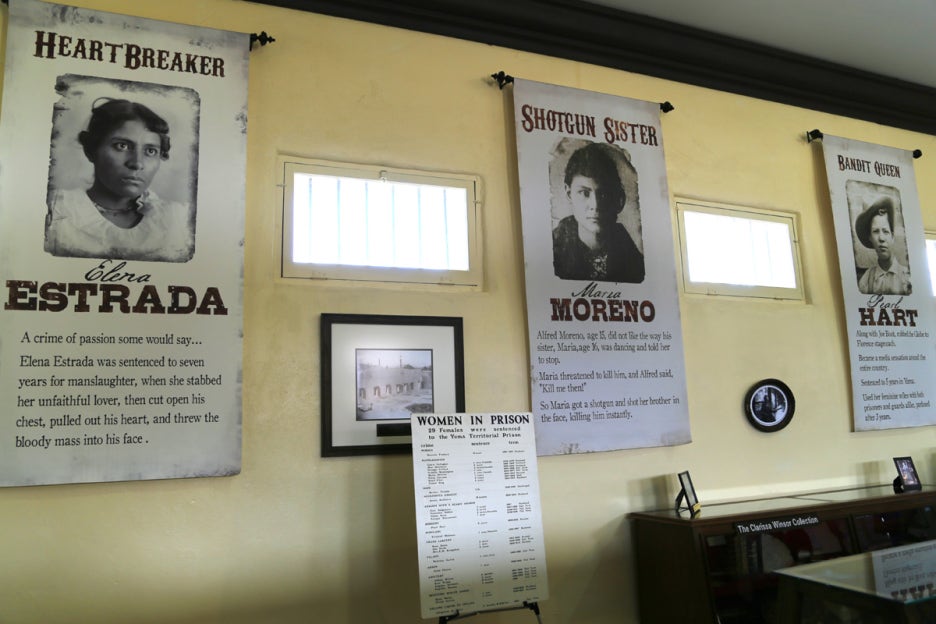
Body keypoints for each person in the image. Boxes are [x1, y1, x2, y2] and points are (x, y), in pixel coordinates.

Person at [45, 98, 194, 262]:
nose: (137, 163)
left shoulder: (178, 219)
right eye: (121, 146)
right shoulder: (57, 211)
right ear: (91, 150)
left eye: (150, 151)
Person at [552, 142, 644, 282]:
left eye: (604, 194)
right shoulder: (553, 252)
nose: (595, 205)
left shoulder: (633, 260)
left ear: (618, 199)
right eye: (584, 193)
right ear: (569, 194)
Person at [854, 196, 911, 295]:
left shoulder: (908, 278)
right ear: (870, 237)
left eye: (885, 231)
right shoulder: (865, 281)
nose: (881, 238)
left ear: (892, 236)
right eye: (876, 231)